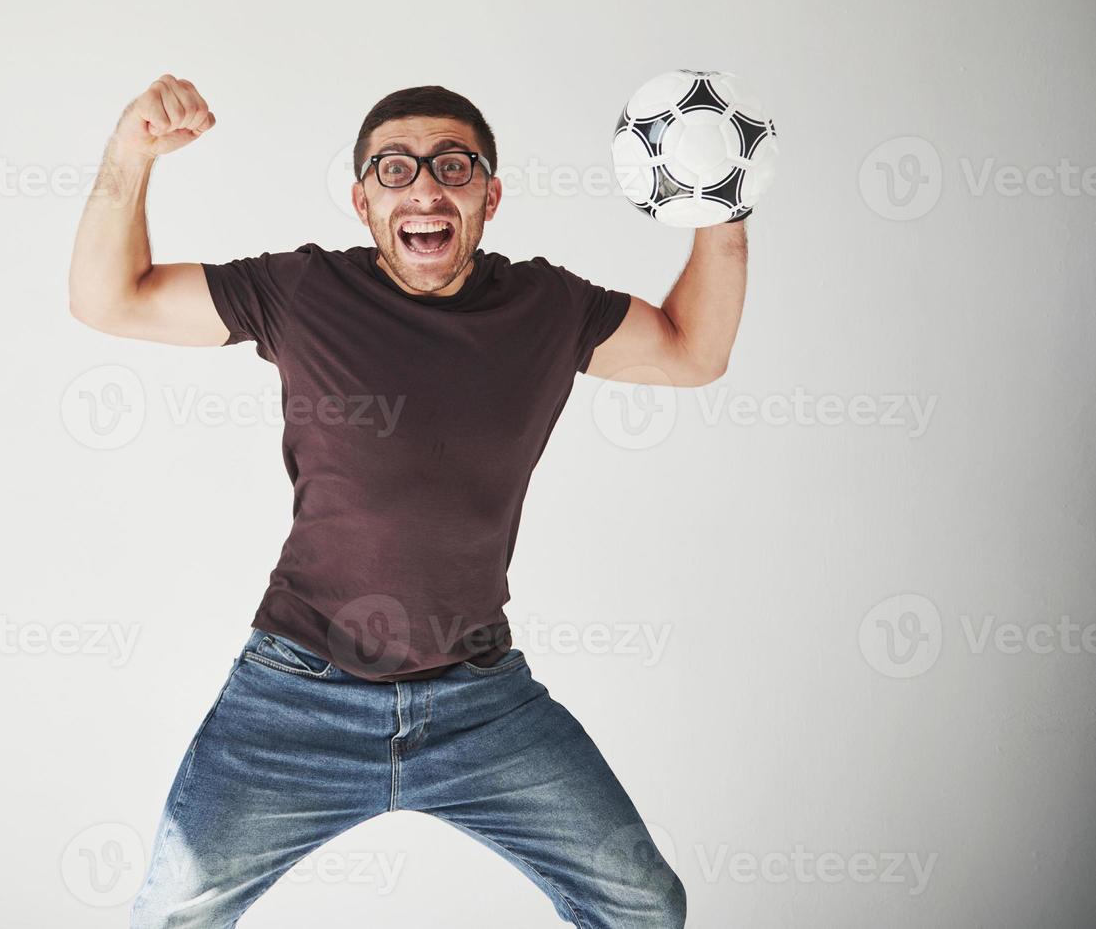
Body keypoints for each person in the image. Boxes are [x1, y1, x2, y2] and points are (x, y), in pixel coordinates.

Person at [68, 73, 748, 928]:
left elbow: (694, 353)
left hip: (481, 700)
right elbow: (107, 299)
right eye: (393, 169)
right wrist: (130, 152)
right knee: (171, 916)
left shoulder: (547, 306)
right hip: (294, 696)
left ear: (489, 196)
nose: (424, 186)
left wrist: (721, 201)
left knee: (641, 903)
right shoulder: (301, 293)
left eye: (452, 167)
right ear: (361, 201)